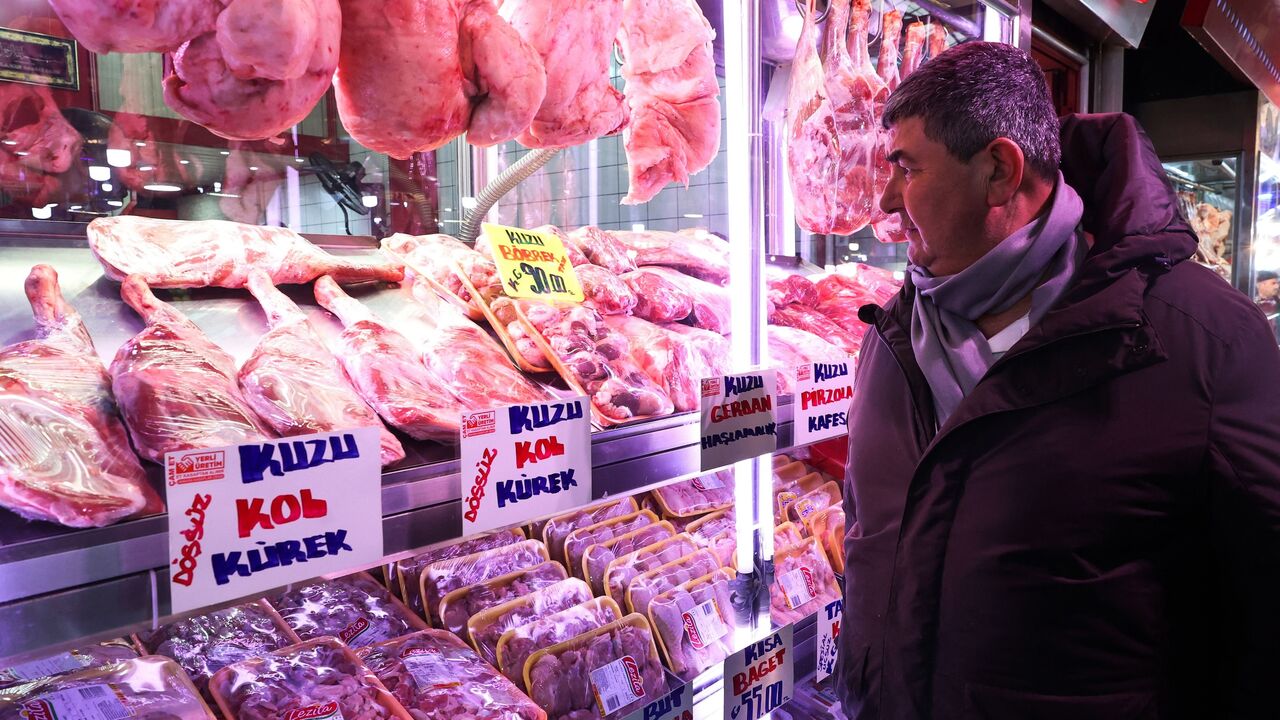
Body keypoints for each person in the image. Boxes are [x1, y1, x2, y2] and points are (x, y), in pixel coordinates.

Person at [837, 41, 1280, 719]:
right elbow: (870, 534)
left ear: (999, 170)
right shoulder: (893, 336)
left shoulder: (1205, 344)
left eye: (908, 168)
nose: (888, 199)